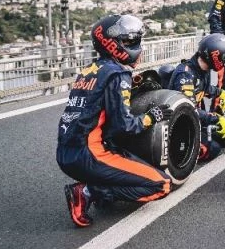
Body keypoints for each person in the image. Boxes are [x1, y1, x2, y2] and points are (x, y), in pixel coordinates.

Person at [57, 14, 172, 227]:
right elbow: (124, 126)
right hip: (89, 155)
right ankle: (89, 191)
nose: (136, 46)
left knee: (127, 163)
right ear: (113, 44)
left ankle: (97, 184)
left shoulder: (89, 71)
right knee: (161, 184)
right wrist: (150, 117)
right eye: (130, 41)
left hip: (66, 153)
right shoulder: (118, 74)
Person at [169, 33, 225, 162]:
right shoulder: (186, 74)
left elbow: (204, 88)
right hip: (181, 123)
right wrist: (214, 118)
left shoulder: (203, 68)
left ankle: (202, 137)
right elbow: (187, 110)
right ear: (215, 56)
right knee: (213, 149)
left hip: (196, 120)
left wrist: (220, 93)